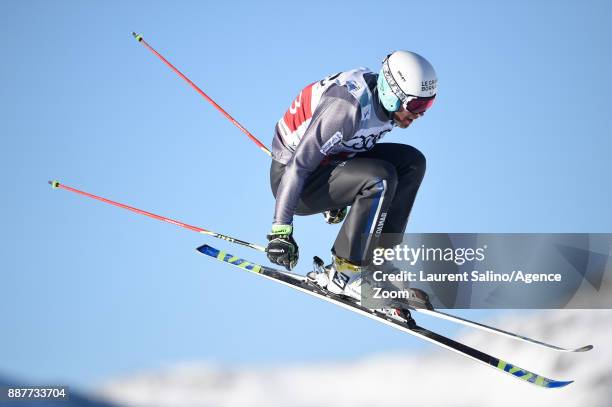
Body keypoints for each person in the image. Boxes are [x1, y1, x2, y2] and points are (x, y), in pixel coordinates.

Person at [265, 50, 437, 304]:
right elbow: (299, 166)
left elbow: (348, 147)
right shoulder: (347, 108)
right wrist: (280, 231)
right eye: (416, 105)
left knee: (412, 163)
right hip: (293, 182)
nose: (420, 113)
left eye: (428, 104)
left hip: (329, 164)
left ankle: (377, 262)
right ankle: (346, 272)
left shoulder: (389, 106)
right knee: (381, 177)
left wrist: (343, 192)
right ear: (392, 93)